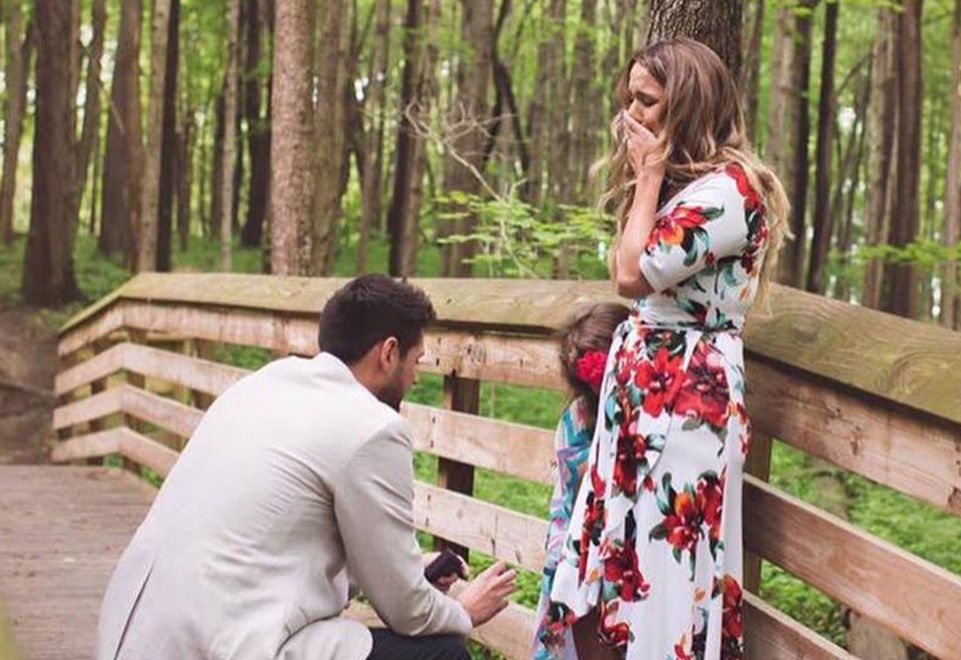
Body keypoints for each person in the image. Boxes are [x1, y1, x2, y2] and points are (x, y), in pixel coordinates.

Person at [96, 274, 517, 660]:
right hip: (227, 644)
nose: (416, 377)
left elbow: (284, 545)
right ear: (389, 353)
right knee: (441, 654)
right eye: (417, 360)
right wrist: (464, 611)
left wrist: (410, 570)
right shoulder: (373, 427)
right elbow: (406, 612)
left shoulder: (262, 383)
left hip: (135, 633)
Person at [540, 38, 790, 660]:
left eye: (647, 101)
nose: (632, 114)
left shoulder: (730, 193)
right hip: (643, 391)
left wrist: (648, 172)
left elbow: (630, 276)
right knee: (613, 557)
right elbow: (628, 265)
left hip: (685, 401)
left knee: (667, 565)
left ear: (688, 106)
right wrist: (649, 178)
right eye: (629, 98)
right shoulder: (690, 187)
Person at [531, 303, 630, 660]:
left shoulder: (641, 413)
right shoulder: (576, 420)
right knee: (584, 583)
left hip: (623, 545)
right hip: (580, 536)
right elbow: (580, 496)